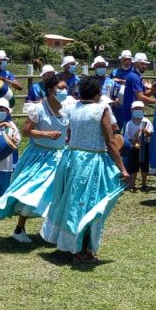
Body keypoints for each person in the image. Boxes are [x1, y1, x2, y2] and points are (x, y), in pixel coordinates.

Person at [41, 76, 129, 264]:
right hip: (91, 160)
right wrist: (122, 167)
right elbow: (111, 141)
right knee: (89, 205)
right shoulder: (100, 109)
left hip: (71, 159)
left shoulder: (72, 108)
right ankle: (81, 250)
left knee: (71, 203)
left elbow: (70, 134)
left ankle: (74, 245)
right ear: (98, 93)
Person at [0, 74, 71, 242]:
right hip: (40, 156)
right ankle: (19, 228)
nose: (65, 90)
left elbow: (68, 131)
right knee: (32, 190)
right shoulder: (38, 109)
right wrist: (46, 134)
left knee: (58, 193)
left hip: (59, 155)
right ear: (51, 91)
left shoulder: (66, 108)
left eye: (66, 87)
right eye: (61, 88)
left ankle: (54, 230)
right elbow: (26, 131)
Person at [121, 101, 153, 191]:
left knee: (144, 165)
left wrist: (146, 132)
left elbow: (151, 133)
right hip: (134, 147)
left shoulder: (146, 121)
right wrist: (134, 142)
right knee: (133, 166)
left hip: (145, 146)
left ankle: (144, 183)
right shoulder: (129, 123)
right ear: (132, 110)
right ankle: (132, 183)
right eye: (136, 109)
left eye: (140, 109)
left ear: (143, 110)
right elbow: (127, 137)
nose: (138, 110)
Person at [119, 52, 154, 130]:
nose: (144, 66)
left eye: (145, 64)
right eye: (142, 64)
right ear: (135, 64)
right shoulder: (134, 77)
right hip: (130, 115)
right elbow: (141, 97)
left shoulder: (137, 76)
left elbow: (145, 93)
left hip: (134, 113)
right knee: (130, 139)